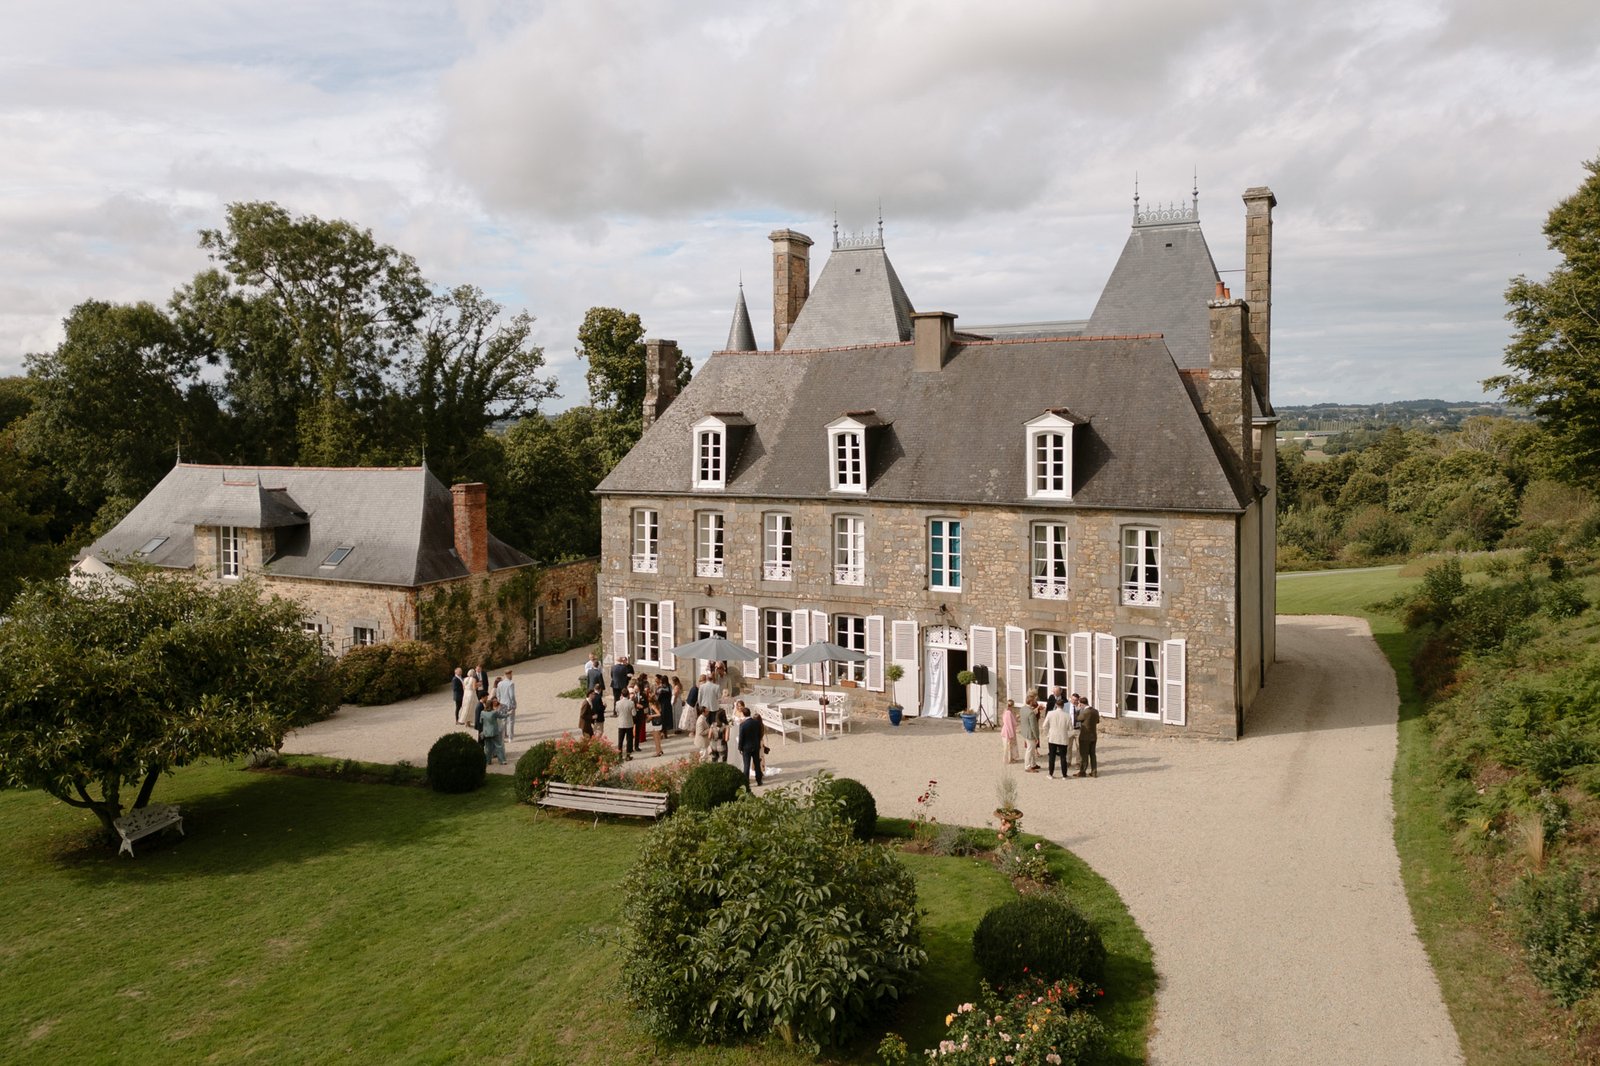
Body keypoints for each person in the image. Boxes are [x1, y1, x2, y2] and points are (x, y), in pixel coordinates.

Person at [736, 700, 765, 791]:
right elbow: (759, 734)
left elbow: (741, 737)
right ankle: (759, 780)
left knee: (746, 765)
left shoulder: (743, 725)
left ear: (744, 715)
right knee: (757, 764)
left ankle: (746, 783)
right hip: (755, 746)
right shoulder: (756, 723)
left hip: (746, 747)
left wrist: (740, 747)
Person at [1043, 697, 1072, 779]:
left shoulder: (1050, 713)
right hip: (1063, 738)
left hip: (1052, 737)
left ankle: (1050, 774)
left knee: (1052, 757)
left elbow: (1044, 726)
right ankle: (1064, 775)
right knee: (1063, 757)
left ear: (1056, 705)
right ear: (1063, 706)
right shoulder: (1067, 715)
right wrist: (1067, 735)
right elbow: (1070, 728)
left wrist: (1048, 734)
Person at [480, 698, 508, 766]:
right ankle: (502, 760)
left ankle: (488, 761)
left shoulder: (482, 712)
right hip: (494, 732)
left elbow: (480, 721)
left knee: (488, 747)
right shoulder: (494, 712)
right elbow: (501, 716)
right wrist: (508, 714)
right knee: (499, 746)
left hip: (486, 732)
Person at [1077, 699, 1100, 777]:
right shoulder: (1095, 711)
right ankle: (1094, 771)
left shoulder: (1085, 712)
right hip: (1093, 735)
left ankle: (1082, 771)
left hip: (1084, 736)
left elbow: (1078, 718)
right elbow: (1097, 721)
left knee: (1084, 754)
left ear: (1082, 704)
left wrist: (1078, 709)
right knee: (1093, 754)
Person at [1019, 693, 1041, 772]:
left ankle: (1033, 764)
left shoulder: (1023, 709)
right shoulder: (1030, 712)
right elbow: (1033, 726)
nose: (1035, 702)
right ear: (1031, 702)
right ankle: (1027, 766)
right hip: (1030, 733)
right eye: (1034, 701)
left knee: (1031, 749)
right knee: (1029, 750)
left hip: (1025, 731)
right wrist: (1036, 736)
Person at [615, 688, 637, 759]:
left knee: (620, 740)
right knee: (629, 739)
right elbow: (634, 714)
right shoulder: (631, 703)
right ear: (628, 695)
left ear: (621, 695)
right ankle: (628, 755)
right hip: (629, 723)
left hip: (621, 723)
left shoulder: (617, 703)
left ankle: (619, 755)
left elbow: (617, 712)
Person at [496, 669, 518, 739]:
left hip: (502, 704)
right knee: (511, 721)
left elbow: (498, 694)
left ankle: (502, 737)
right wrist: (514, 704)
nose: (512, 676)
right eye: (511, 674)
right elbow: (512, 695)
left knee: (503, 721)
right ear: (508, 674)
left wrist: (499, 702)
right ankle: (510, 737)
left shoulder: (499, 683)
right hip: (509, 704)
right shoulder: (510, 683)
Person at [1001, 698, 1019, 764]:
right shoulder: (1008, 713)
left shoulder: (1006, 711)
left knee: (1008, 746)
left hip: (1006, 730)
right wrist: (1011, 734)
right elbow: (1009, 724)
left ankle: (1010, 758)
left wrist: (1015, 718)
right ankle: (1009, 759)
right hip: (1008, 731)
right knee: (1008, 746)